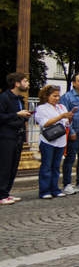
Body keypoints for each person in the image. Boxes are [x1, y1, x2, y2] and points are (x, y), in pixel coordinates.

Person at [35, 85, 73, 199]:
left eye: (58, 96)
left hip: (61, 140)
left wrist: (69, 117)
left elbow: (66, 123)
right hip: (48, 140)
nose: (57, 98)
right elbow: (45, 123)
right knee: (47, 166)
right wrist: (60, 117)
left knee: (56, 166)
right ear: (47, 96)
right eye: (54, 96)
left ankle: (55, 188)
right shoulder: (42, 108)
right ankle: (44, 190)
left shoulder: (62, 107)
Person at [0, 72, 30, 205]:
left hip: (18, 136)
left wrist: (25, 116)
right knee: (5, 166)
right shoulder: (4, 97)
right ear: (17, 83)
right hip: (6, 137)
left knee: (13, 166)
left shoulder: (19, 99)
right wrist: (17, 114)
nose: (27, 83)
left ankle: (6, 192)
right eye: (25, 81)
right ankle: (1, 194)